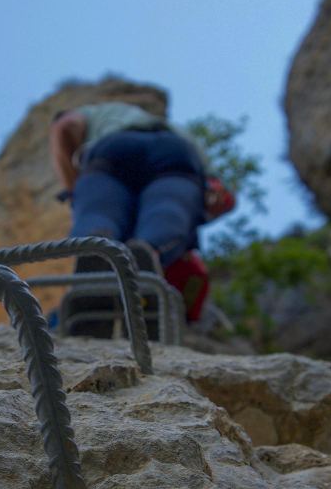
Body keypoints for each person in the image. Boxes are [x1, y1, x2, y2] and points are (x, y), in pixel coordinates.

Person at [49, 102, 234, 329]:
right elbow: (224, 200)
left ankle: (98, 250)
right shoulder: (179, 131)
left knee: (99, 215)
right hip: (176, 152)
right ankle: (149, 253)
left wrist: (74, 187)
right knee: (167, 211)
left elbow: (65, 126)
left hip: (112, 149)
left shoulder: (97, 112)